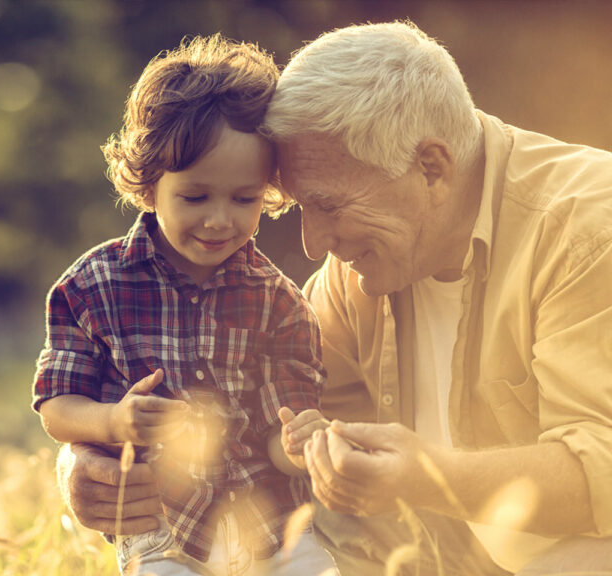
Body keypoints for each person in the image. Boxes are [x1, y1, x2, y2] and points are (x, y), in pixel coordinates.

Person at [57, 21, 612, 575]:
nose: (313, 243)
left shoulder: (587, 231)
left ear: (431, 167)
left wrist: (431, 478)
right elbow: (256, 415)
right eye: (302, 207)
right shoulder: (360, 272)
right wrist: (87, 457)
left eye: (330, 205)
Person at [32, 34, 338, 576]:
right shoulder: (94, 287)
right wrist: (113, 422)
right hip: (163, 532)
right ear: (149, 186)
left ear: (268, 190)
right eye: (195, 197)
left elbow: (275, 437)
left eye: (244, 199)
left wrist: (297, 444)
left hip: (272, 528)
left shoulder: (280, 303)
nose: (220, 219)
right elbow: (57, 407)